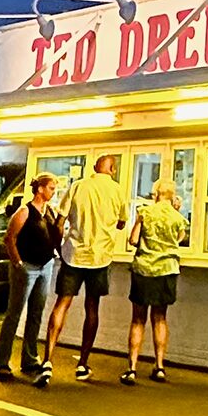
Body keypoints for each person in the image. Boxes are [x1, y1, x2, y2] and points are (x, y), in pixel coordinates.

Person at [45, 156, 125, 386]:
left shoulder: (78, 186)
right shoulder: (117, 191)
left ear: (93, 168)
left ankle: (48, 360)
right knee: (92, 308)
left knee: (62, 303)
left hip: (73, 254)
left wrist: (59, 248)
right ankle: (82, 363)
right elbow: (122, 223)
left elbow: (59, 222)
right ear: (113, 169)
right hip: (100, 257)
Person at [0, 173, 59, 382]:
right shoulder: (24, 211)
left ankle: (29, 358)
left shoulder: (49, 212)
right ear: (40, 189)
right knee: (14, 313)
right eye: (51, 188)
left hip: (45, 265)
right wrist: (18, 263)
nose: (53, 192)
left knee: (36, 312)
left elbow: (56, 236)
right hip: (27, 266)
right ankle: (2, 361)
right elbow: (9, 238)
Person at [122, 178, 187, 386]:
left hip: (144, 269)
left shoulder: (145, 212)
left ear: (156, 194)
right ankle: (159, 366)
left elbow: (132, 240)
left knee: (138, 319)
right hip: (167, 270)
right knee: (160, 318)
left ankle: (131, 368)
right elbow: (178, 239)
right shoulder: (178, 218)